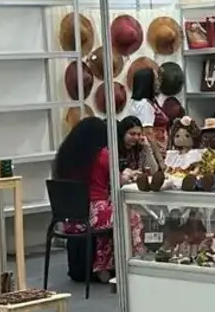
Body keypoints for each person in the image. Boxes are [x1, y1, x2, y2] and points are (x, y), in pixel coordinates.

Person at [52, 115, 145, 282]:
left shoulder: (65, 156)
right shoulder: (102, 155)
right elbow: (118, 181)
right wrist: (128, 175)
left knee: (111, 218)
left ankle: (103, 268)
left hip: (69, 219)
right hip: (93, 214)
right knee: (131, 216)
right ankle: (137, 263)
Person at [123, 67, 171, 152]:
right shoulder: (144, 104)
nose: (159, 83)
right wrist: (158, 158)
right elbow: (148, 134)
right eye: (156, 80)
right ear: (148, 82)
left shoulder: (150, 102)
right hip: (152, 151)